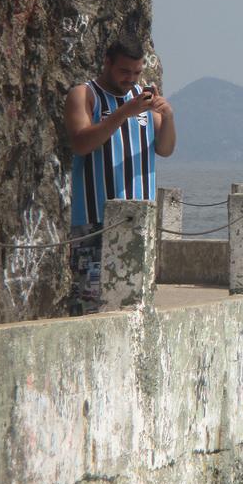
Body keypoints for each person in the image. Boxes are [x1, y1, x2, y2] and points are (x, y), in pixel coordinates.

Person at [64, 34, 176, 312]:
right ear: (107, 62)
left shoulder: (144, 100)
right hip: (95, 221)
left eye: (137, 72)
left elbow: (165, 148)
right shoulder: (84, 94)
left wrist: (169, 116)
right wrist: (122, 113)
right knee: (91, 306)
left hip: (139, 220)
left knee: (134, 307)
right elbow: (80, 143)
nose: (131, 78)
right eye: (124, 71)